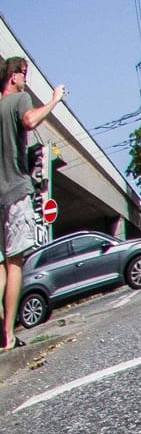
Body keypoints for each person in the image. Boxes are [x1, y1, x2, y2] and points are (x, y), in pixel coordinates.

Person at [0, 57, 63, 352]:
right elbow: (29, 120)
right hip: (14, 192)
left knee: (0, 266)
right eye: (24, 74)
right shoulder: (20, 99)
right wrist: (54, 100)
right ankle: (8, 335)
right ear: (13, 76)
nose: (25, 79)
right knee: (14, 264)